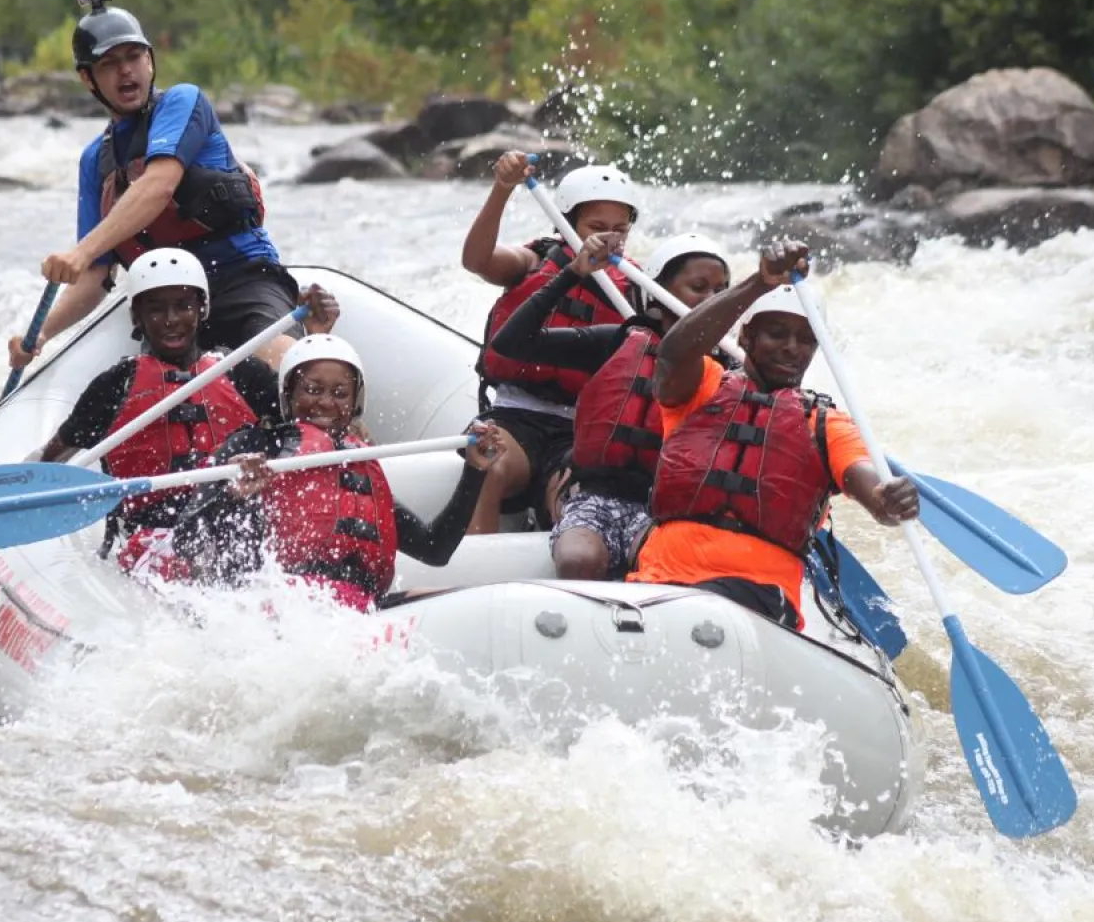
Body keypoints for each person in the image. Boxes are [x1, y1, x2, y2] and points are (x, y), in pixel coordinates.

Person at [9, 0, 302, 373]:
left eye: (133, 57)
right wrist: (42, 334)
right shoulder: (95, 159)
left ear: (150, 60)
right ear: (87, 79)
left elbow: (158, 186)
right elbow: (96, 274)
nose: (125, 71)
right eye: (109, 64)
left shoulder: (185, 102)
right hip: (164, 307)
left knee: (281, 368)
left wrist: (81, 251)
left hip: (241, 280)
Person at [628, 242, 920, 630]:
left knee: (700, 609)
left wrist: (889, 499)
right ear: (746, 338)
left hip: (759, 597)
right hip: (658, 580)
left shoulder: (827, 424)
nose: (792, 349)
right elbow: (674, 353)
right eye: (777, 334)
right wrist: (759, 284)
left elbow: (873, 492)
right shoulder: (703, 389)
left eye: (806, 340)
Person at [39, 247, 338, 576]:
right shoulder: (116, 385)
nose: (171, 319)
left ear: (202, 308)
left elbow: (312, 429)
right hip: (148, 539)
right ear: (136, 316)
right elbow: (53, 457)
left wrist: (318, 336)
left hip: (233, 527)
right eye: (156, 309)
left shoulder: (242, 373)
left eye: (183, 306)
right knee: (192, 567)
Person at [167, 334, 511, 610]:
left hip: (357, 613)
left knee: (466, 600)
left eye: (340, 393)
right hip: (283, 605)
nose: (326, 403)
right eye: (312, 390)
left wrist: (474, 471)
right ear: (289, 394)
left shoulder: (358, 463)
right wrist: (232, 495)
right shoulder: (258, 446)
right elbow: (185, 539)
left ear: (355, 402)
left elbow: (435, 549)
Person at [490, 232, 732, 580]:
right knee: (579, 560)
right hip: (594, 495)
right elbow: (512, 342)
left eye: (721, 292)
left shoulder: (733, 373)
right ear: (657, 293)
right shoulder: (618, 341)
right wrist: (572, 273)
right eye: (698, 288)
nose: (710, 300)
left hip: (667, 512)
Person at [460, 151, 643, 535]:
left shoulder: (639, 290)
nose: (610, 236)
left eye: (620, 228)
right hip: (516, 416)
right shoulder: (532, 262)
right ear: (567, 224)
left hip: (583, 431)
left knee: (573, 498)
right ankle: (473, 572)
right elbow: (476, 260)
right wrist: (502, 190)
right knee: (490, 462)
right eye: (596, 225)